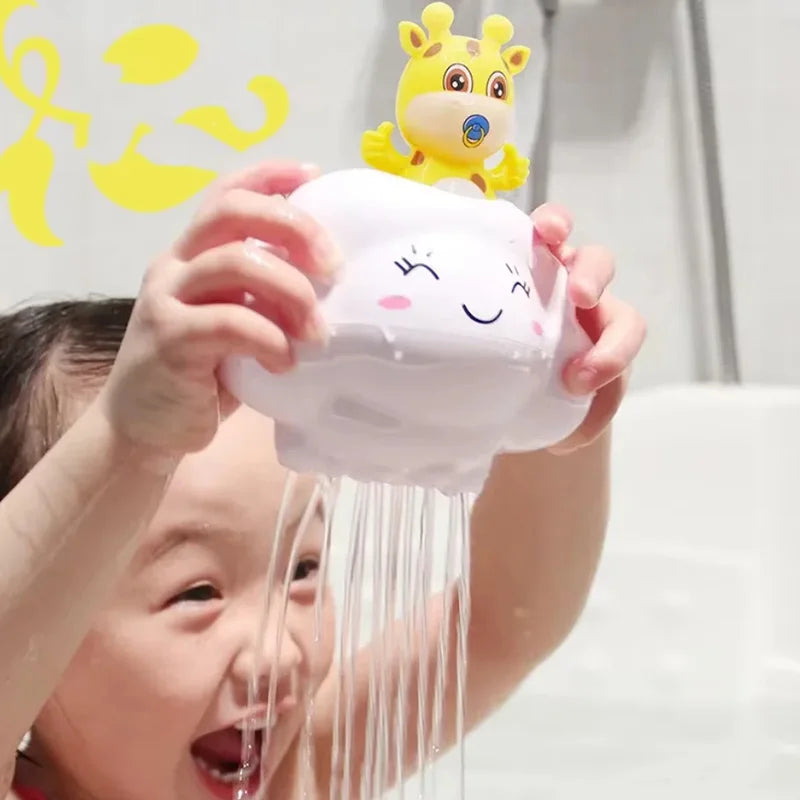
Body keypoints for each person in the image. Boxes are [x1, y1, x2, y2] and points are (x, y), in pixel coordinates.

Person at [0, 160, 645, 800]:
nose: (278, 655)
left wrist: (556, 383)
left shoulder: (300, 774)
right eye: (197, 593)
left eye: (303, 568)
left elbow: (504, 624)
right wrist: (125, 438)